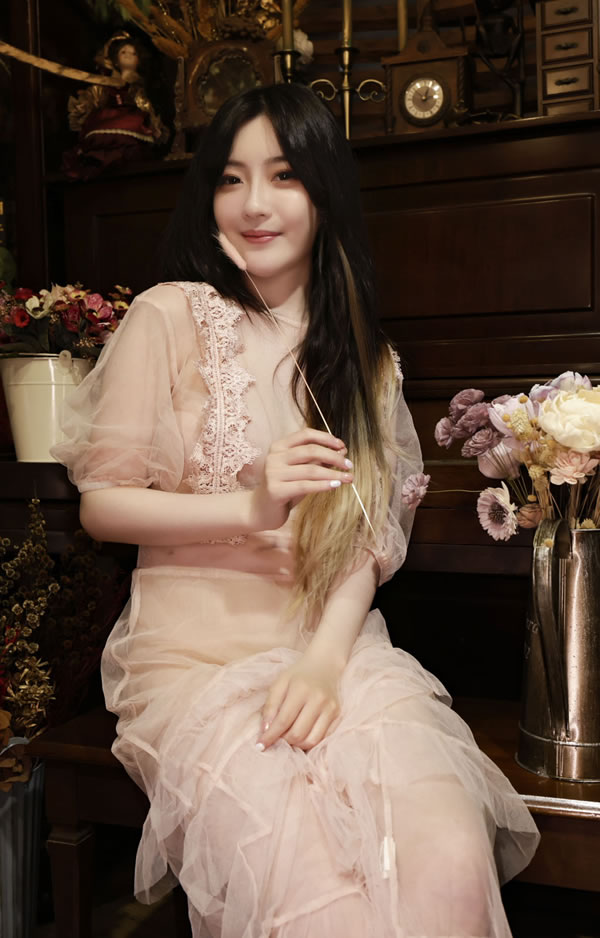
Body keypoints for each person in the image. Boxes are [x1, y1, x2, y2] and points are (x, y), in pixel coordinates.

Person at [53, 83, 539, 938]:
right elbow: (103, 507)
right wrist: (252, 504)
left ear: (324, 194)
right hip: (194, 658)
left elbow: (366, 545)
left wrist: (320, 664)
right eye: (230, 178)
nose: (254, 203)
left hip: (335, 653)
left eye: (283, 176)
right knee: (320, 897)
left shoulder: (365, 357)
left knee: (448, 860)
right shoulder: (168, 315)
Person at [63, 32, 167, 180]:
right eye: (123, 52)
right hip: (107, 116)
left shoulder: (137, 85)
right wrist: (86, 104)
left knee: (133, 126)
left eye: (133, 53)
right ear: (116, 60)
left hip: (131, 117)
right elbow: (96, 96)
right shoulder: (106, 84)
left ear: (139, 60)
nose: (128, 55)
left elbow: (145, 105)